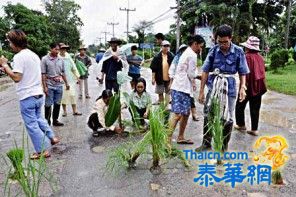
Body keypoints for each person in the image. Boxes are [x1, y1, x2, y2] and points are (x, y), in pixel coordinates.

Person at [0, 29, 59, 159]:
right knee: (39, 119)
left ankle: (42, 150)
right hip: (37, 94)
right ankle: (52, 137)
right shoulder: (33, 55)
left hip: (27, 95)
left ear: (15, 43)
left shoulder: (19, 56)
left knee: (31, 124)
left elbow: (17, 78)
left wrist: (5, 65)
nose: (9, 45)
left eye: (10, 42)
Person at [196, 24, 250, 152]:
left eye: (225, 42)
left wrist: (243, 87)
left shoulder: (238, 51)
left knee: (228, 117)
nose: (222, 44)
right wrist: (201, 91)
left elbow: (243, 72)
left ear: (231, 38)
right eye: (219, 42)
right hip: (214, 86)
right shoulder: (213, 51)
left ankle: (223, 146)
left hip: (229, 87)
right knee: (209, 113)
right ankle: (206, 143)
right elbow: (205, 71)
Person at [168, 35, 205, 145]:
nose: (201, 49)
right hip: (180, 88)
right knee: (177, 114)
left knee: (186, 113)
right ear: (195, 44)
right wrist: (200, 76)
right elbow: (191, 74)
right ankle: (166, 140)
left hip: (183, 87)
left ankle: (180, 137)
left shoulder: (187, 53)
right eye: (200, 46)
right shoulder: (192, 54)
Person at [234, 36, 267, 136]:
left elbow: (244, 73)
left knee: (240, 105)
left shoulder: (246, 57)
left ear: (248, 47)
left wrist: (242, 87)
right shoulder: (260, 57)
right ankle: (254, 129)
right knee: (255, 107)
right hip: (259, 85)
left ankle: (241, 124)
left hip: (248, 84)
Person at [169, 44, 200, 121]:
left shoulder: (190, 58)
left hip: (187, 87)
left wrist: (193, 83)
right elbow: (172, 72)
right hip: (179, 86)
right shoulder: (176, 60)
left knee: (189, 104)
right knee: (177, 113)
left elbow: (192, 72)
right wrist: (171, 83)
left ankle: (194, 114)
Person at [41, 43, 70, 126]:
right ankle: (47, 121)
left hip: (59, 85)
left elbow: (63, 73)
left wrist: (66, 83)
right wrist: (44, 87)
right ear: (51, 49)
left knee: (57, 103)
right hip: (49, 85)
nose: (57, 51)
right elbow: (43, 74)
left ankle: (55, 120)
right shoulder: (45, 59)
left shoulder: (61, 60)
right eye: (55, 49)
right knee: (48, 104)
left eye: (58, 49)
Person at [59, 43, 82, 117]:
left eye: (65, 48)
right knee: (63, 97)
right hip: (61, 80)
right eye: (62, 48)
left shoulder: (68, 57)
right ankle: (64, 111)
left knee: (72, 95)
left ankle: (75, 111)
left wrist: (77, 77)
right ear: (59, 49)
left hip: (70, 79)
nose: (64, 50)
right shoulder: (57, 57)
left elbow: (73, 67)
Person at [150, 40, 174, 104]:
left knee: (168, 93)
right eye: (165, 46)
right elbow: (153, 69)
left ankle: (166, 108)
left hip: (169, 78)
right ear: (161, 46)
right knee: (160, 93)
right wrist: (153, 78)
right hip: (159, 78)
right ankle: (162, 107)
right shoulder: (157, 57)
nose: (166, 47)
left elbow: (174, 68)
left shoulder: (171, 56)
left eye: (168, 46)